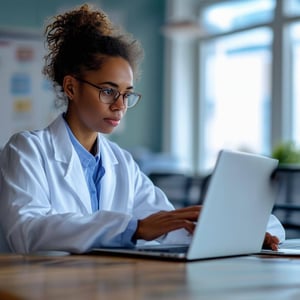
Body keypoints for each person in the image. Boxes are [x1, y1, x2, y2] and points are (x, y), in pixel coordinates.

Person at [0, 4, 284, 254]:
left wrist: (233, 234)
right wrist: (131, 228)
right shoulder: (27, 150)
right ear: (71, 87)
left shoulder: (121, 163)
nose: (120, 106)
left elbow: (165, 224)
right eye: (109, 91)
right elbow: (27, 231)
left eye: (127, 94)